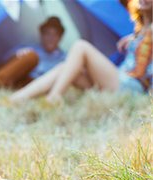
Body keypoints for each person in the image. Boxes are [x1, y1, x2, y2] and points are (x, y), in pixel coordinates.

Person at [10, 0, 152, 104]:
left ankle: (54, 97)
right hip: (119, 80)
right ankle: (15, 100)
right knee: (66, 68)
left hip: (130, 86)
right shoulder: (139, 30)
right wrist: (133, 38)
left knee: (81, 46)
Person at [0, 16, 66, 88]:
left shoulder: (64, 58)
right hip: (18, 77)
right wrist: (17, 56)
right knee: (31, 56)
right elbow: (2, 62)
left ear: (60, 37)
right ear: (41, 35)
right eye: (48, 34)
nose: (51, 38)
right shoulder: (29, 48)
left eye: (55, 35)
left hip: (39, 84)